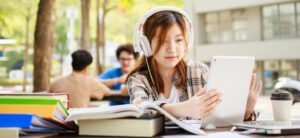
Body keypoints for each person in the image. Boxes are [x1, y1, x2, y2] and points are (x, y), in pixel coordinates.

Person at [126, 6, 263, 120]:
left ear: (187, 42)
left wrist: (244, 112)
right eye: (163, 41)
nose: (172, 49)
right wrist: (186, 109)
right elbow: (141, 111)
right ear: (146, 45)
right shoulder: (138, 80)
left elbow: (220, 117)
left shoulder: (199, 71)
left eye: (179, 40)